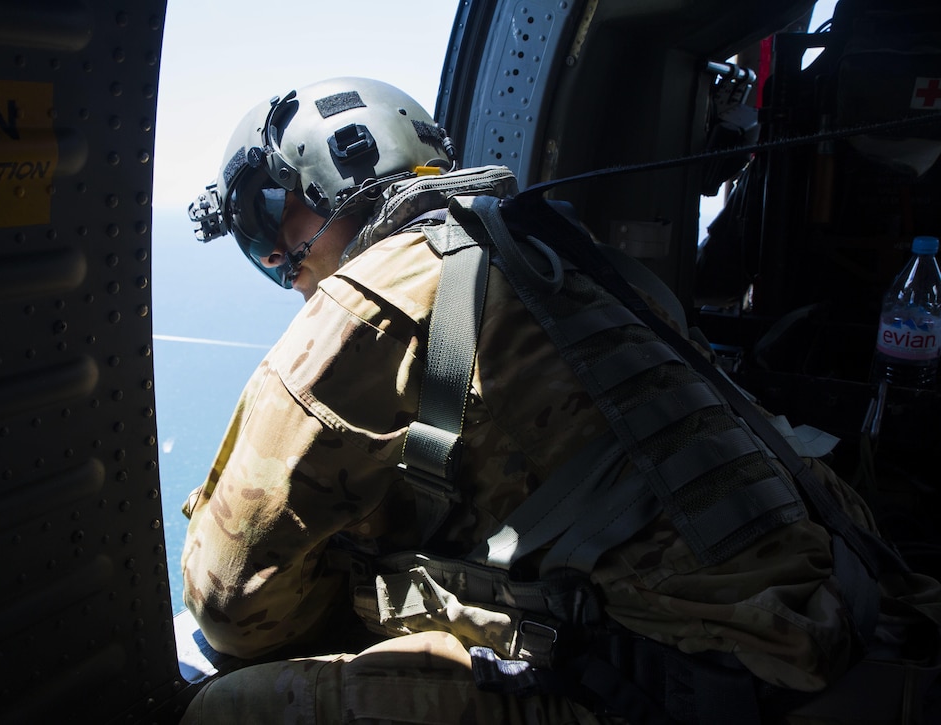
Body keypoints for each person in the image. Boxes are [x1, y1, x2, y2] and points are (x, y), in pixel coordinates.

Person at [179, 76, 941, 724]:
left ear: (331, 173)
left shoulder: (365, 302)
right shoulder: (574, 255)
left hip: (696, 682)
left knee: (221, 705)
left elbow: (233, 607)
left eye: (272, 222)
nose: (280, 263)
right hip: (860, 608)